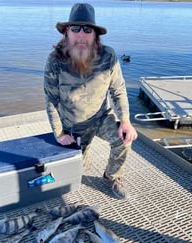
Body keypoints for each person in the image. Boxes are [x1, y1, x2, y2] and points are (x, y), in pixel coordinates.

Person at [44, 3, 137, 199]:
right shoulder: (55, 60)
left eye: (87, 29)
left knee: (124, 140)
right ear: (67, 32)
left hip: (101, 118)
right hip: (72, 125)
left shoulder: (109, 56)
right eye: (75, 28)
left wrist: (126, 120)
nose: (81, 35)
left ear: (95, 34)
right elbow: (51, 99)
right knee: (75, 175)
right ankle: (77, 160)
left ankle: (112, 176)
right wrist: (59, 133)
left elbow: (118, 90)